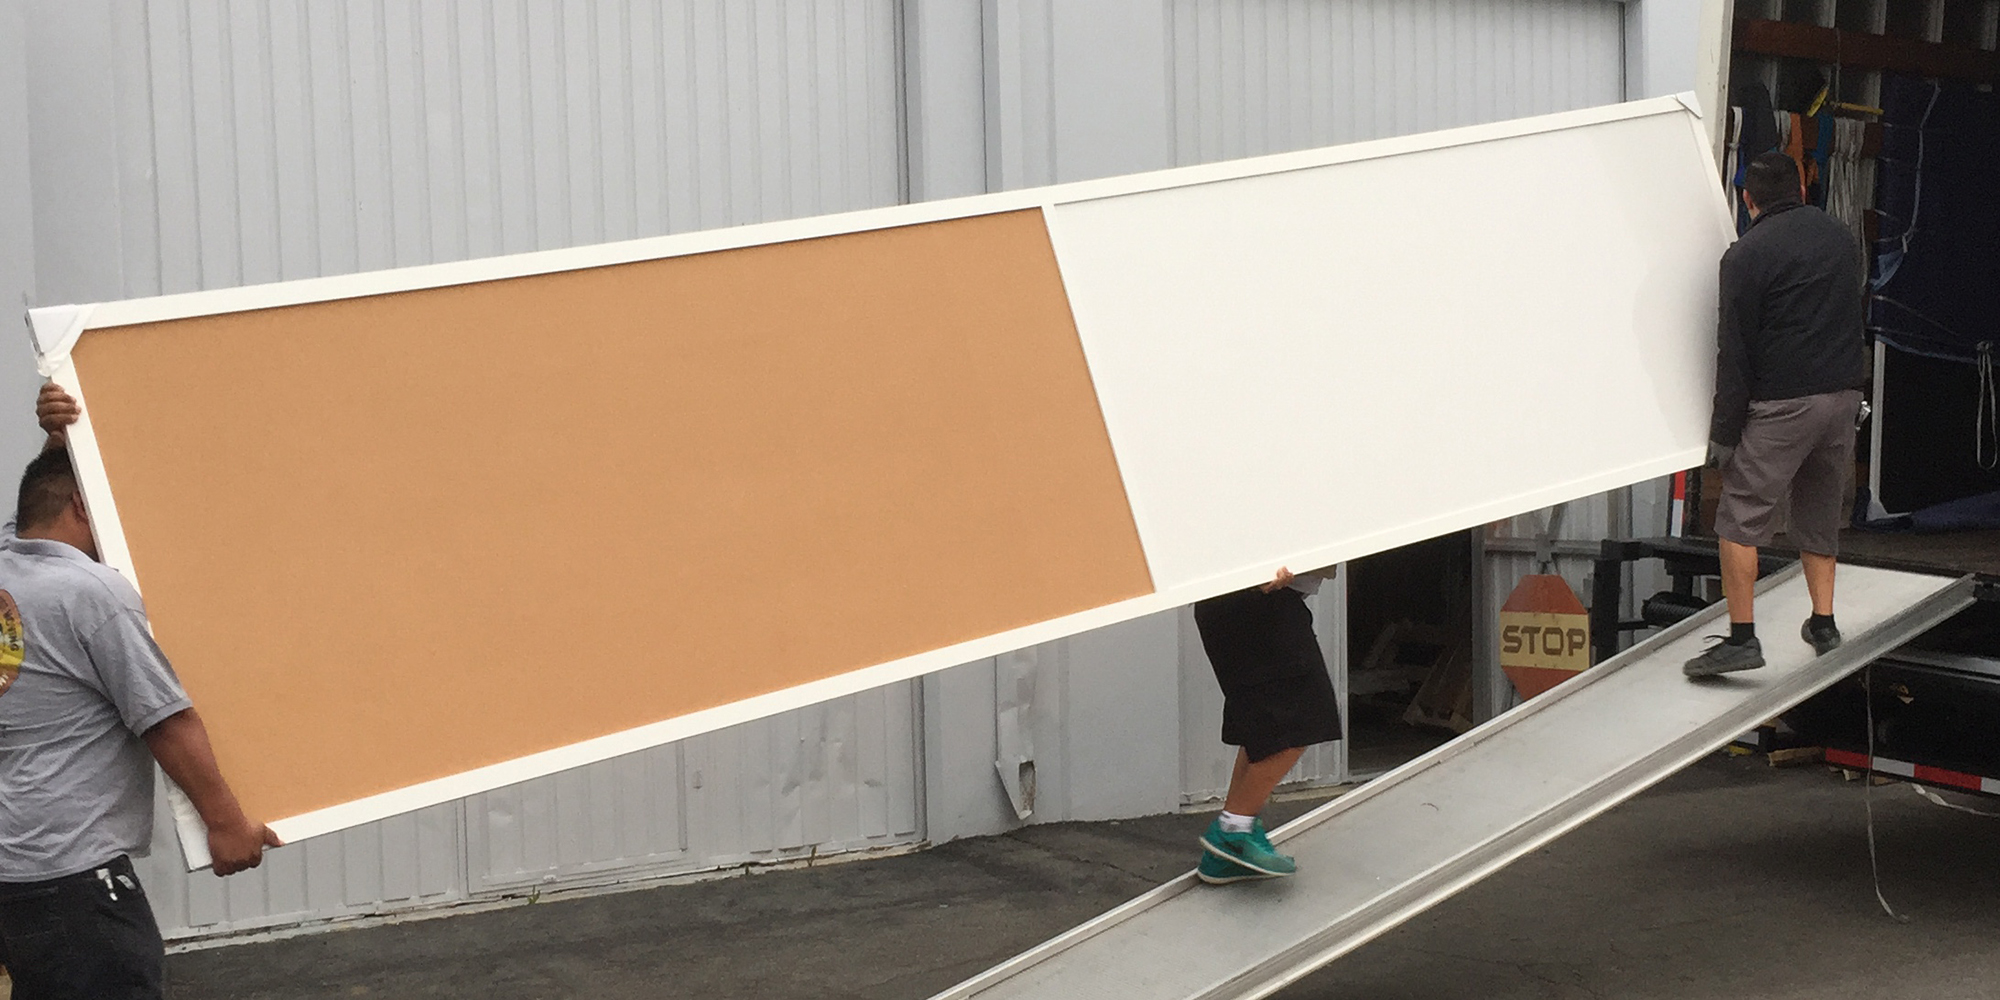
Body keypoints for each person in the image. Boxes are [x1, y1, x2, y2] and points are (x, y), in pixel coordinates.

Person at [0, 387, 278, 999]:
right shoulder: (90, 592)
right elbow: (164, 720)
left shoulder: (10, 575)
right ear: (83, 504)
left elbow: (35, 508)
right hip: (77, 882)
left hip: (18, 874)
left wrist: (56, 439)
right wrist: (226, 823)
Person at [1683, 152, 1869, 679]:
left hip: (1784, 405)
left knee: (1739, 519)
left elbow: (1734, 350)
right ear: (1802, 188)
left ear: (1748, 199)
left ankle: (1742, 640)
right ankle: (1824, 624)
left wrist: (1723, 434)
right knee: (1819, 512)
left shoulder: (1745, 255)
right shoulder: (1839, 238)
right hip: (1841, 398)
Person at [1191, 564, 1342, 884]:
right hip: (1258, 602)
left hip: (1234, 602)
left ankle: (1226, 852)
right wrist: (1258, 562)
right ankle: (1233, 832)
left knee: (1262, 729)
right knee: (1299, 721)